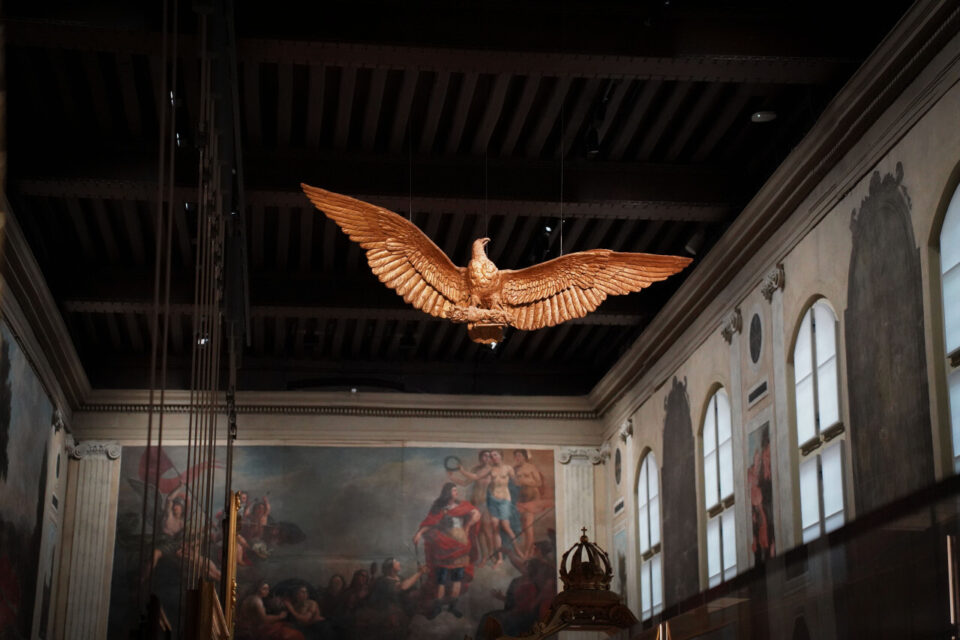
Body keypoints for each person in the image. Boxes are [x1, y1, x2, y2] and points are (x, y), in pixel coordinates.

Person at [413, 483, 480, 618]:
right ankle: (438, 607)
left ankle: (452, 607)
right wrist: (419, 533)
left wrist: (467, 526)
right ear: (447, 492)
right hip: (443, 545)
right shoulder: (439, 507)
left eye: (456, 490)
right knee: (441, 579)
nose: (456, 493)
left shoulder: (462, 505)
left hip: (460, 544)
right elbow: (430, 522)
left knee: (457, 579)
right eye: (454, 490)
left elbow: (477, 513)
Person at [457, 450, 523, 566]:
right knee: (495, 528)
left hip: (504, 501)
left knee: (506, 527)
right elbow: (476, 476)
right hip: (493, 501)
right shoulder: (490, 469)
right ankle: (499, 558)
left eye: (495, 455)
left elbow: (517, 483)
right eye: (491, 456)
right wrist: (462, 471)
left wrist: (521, 479)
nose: (493, 458)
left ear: (501, 456)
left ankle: (518, 551)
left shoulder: (508, 468)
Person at [447, 450, 496, 564]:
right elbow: (465, 483)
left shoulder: (490, 469)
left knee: (487, 531)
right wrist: (451, 477)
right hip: (474, 504)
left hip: (485, 503)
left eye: (489, 456)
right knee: (479, 532)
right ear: (480, 457)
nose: (487, 458)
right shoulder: (475, 469)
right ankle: (484, 556)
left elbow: (476, 477)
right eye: (484, 456)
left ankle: (492, 555)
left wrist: (462, 470)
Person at [512, 450, 553, 559]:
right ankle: (528, 549)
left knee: (528, 526)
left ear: (524, 457)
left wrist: (525, 481)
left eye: (519, 455)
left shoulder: (531, 467)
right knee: (523, 527)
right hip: (521, 499)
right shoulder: (515, 468)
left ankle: (528, 552)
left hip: (532, 499)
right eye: (516, 456)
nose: (517, 458)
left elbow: (539, 482)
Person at [235, 581, 303, 640]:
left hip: (252, 627)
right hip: (252, 629)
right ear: (258, 589)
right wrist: (280, 616)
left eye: (267, 589)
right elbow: (263, 619)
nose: (267, 591)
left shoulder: (253, 598)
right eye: (264, 589)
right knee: (294, 634)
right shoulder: (257, 601)